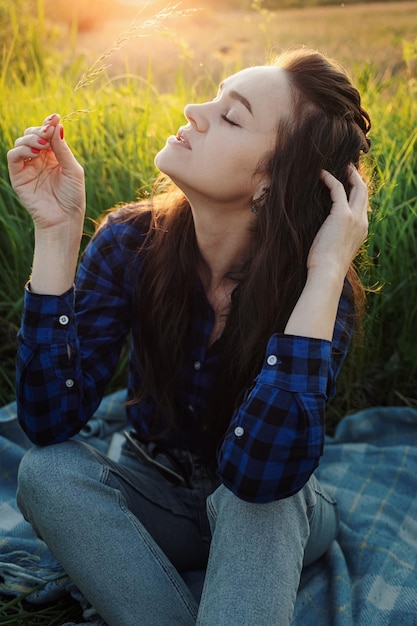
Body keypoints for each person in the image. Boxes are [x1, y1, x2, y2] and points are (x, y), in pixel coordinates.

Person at [7, 47, 370, 625]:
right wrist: (55, 233)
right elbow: (49, 422)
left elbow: (260, 474)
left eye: (231, 116)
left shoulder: (320, 291)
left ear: (272, 183)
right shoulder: (131, 241)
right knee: (45, 472)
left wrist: (326, 273)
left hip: (269, 513)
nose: (193, 109)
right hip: (154, 493)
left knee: (261, 505)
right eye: (215, 94)